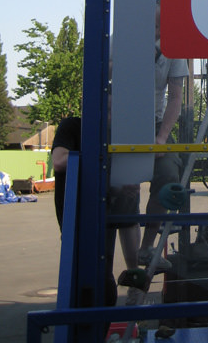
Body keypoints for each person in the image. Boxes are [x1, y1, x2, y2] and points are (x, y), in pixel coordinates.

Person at [52, 116, 142, 305]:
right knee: (84, 277)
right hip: (79, 217)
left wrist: (121, 188)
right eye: (107, 109)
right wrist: (100, 155)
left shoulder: (114, 133)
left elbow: (105, 181)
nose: (110, 114)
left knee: (104, 282)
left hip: (102, 213)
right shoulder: (73, 126)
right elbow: (59, 161)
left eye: (112, 110)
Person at [136, 0, 189, 269]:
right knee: (122, 185)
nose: (157, 31)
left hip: (155, 123)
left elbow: (176, 98)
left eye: (162, 27)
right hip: (120, 121)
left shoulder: (174, 49)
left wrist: (162, 138)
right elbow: (106, 74)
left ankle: (147, 246)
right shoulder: (123, 40)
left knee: (169, 173)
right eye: (153, 25)